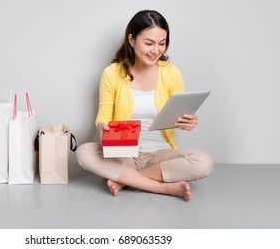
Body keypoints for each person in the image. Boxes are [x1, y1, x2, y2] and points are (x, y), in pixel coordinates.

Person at [76, 10, 213, 201]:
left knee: (203, 161)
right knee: (84, 153)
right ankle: (162, 188)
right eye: (148, 43)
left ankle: (126, 179)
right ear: (131, 40)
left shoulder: (172, 73)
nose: (155, 50)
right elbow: (103, 116)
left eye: (162, 43)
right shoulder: (112, 73)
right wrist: (102, 127)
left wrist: (187, 122)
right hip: (124, 154)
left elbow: (179, 117)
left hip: (160, 154)